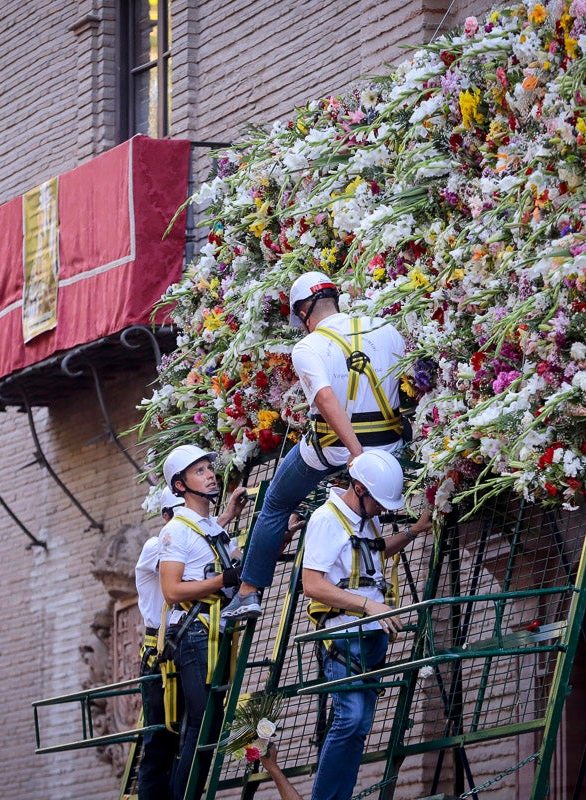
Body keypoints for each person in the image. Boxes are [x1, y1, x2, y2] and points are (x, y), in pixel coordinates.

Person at [221, 271, 407, 623]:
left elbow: (324, 399)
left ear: (303, 312)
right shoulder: (386, 327)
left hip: (341, 450)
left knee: (276, 501)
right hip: (391, 447)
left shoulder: (309, 346)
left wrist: (357, 455)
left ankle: (248, 593)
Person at [299, 450, 426, 800]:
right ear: (358, 488)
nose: (384, 509)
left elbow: (373, 550)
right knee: (350, 719)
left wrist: (414, 531)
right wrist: (370, 605)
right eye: (379, 502)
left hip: (371, 636)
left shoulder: (365, 518)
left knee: (360, 726)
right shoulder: (326, 519)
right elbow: (313, 584)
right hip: (343, 636)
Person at [158, 445, 247, 799]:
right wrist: (221, 581)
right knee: (202, 725)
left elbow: (235, 563)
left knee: (211, 725)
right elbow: (171, 590)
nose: (210, 474)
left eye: (209, 468)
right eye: (199, 471)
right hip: (194, 636)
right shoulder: (176, 531)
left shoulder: (211, 526)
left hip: (217, 630)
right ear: (179, 486)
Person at [134, 487, 184, 800]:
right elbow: (184, 549)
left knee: (188, 737)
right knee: (159, 739)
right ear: (166, 517)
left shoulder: (196, 539)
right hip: (160, 652)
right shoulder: (158, 544)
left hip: (188, 648)